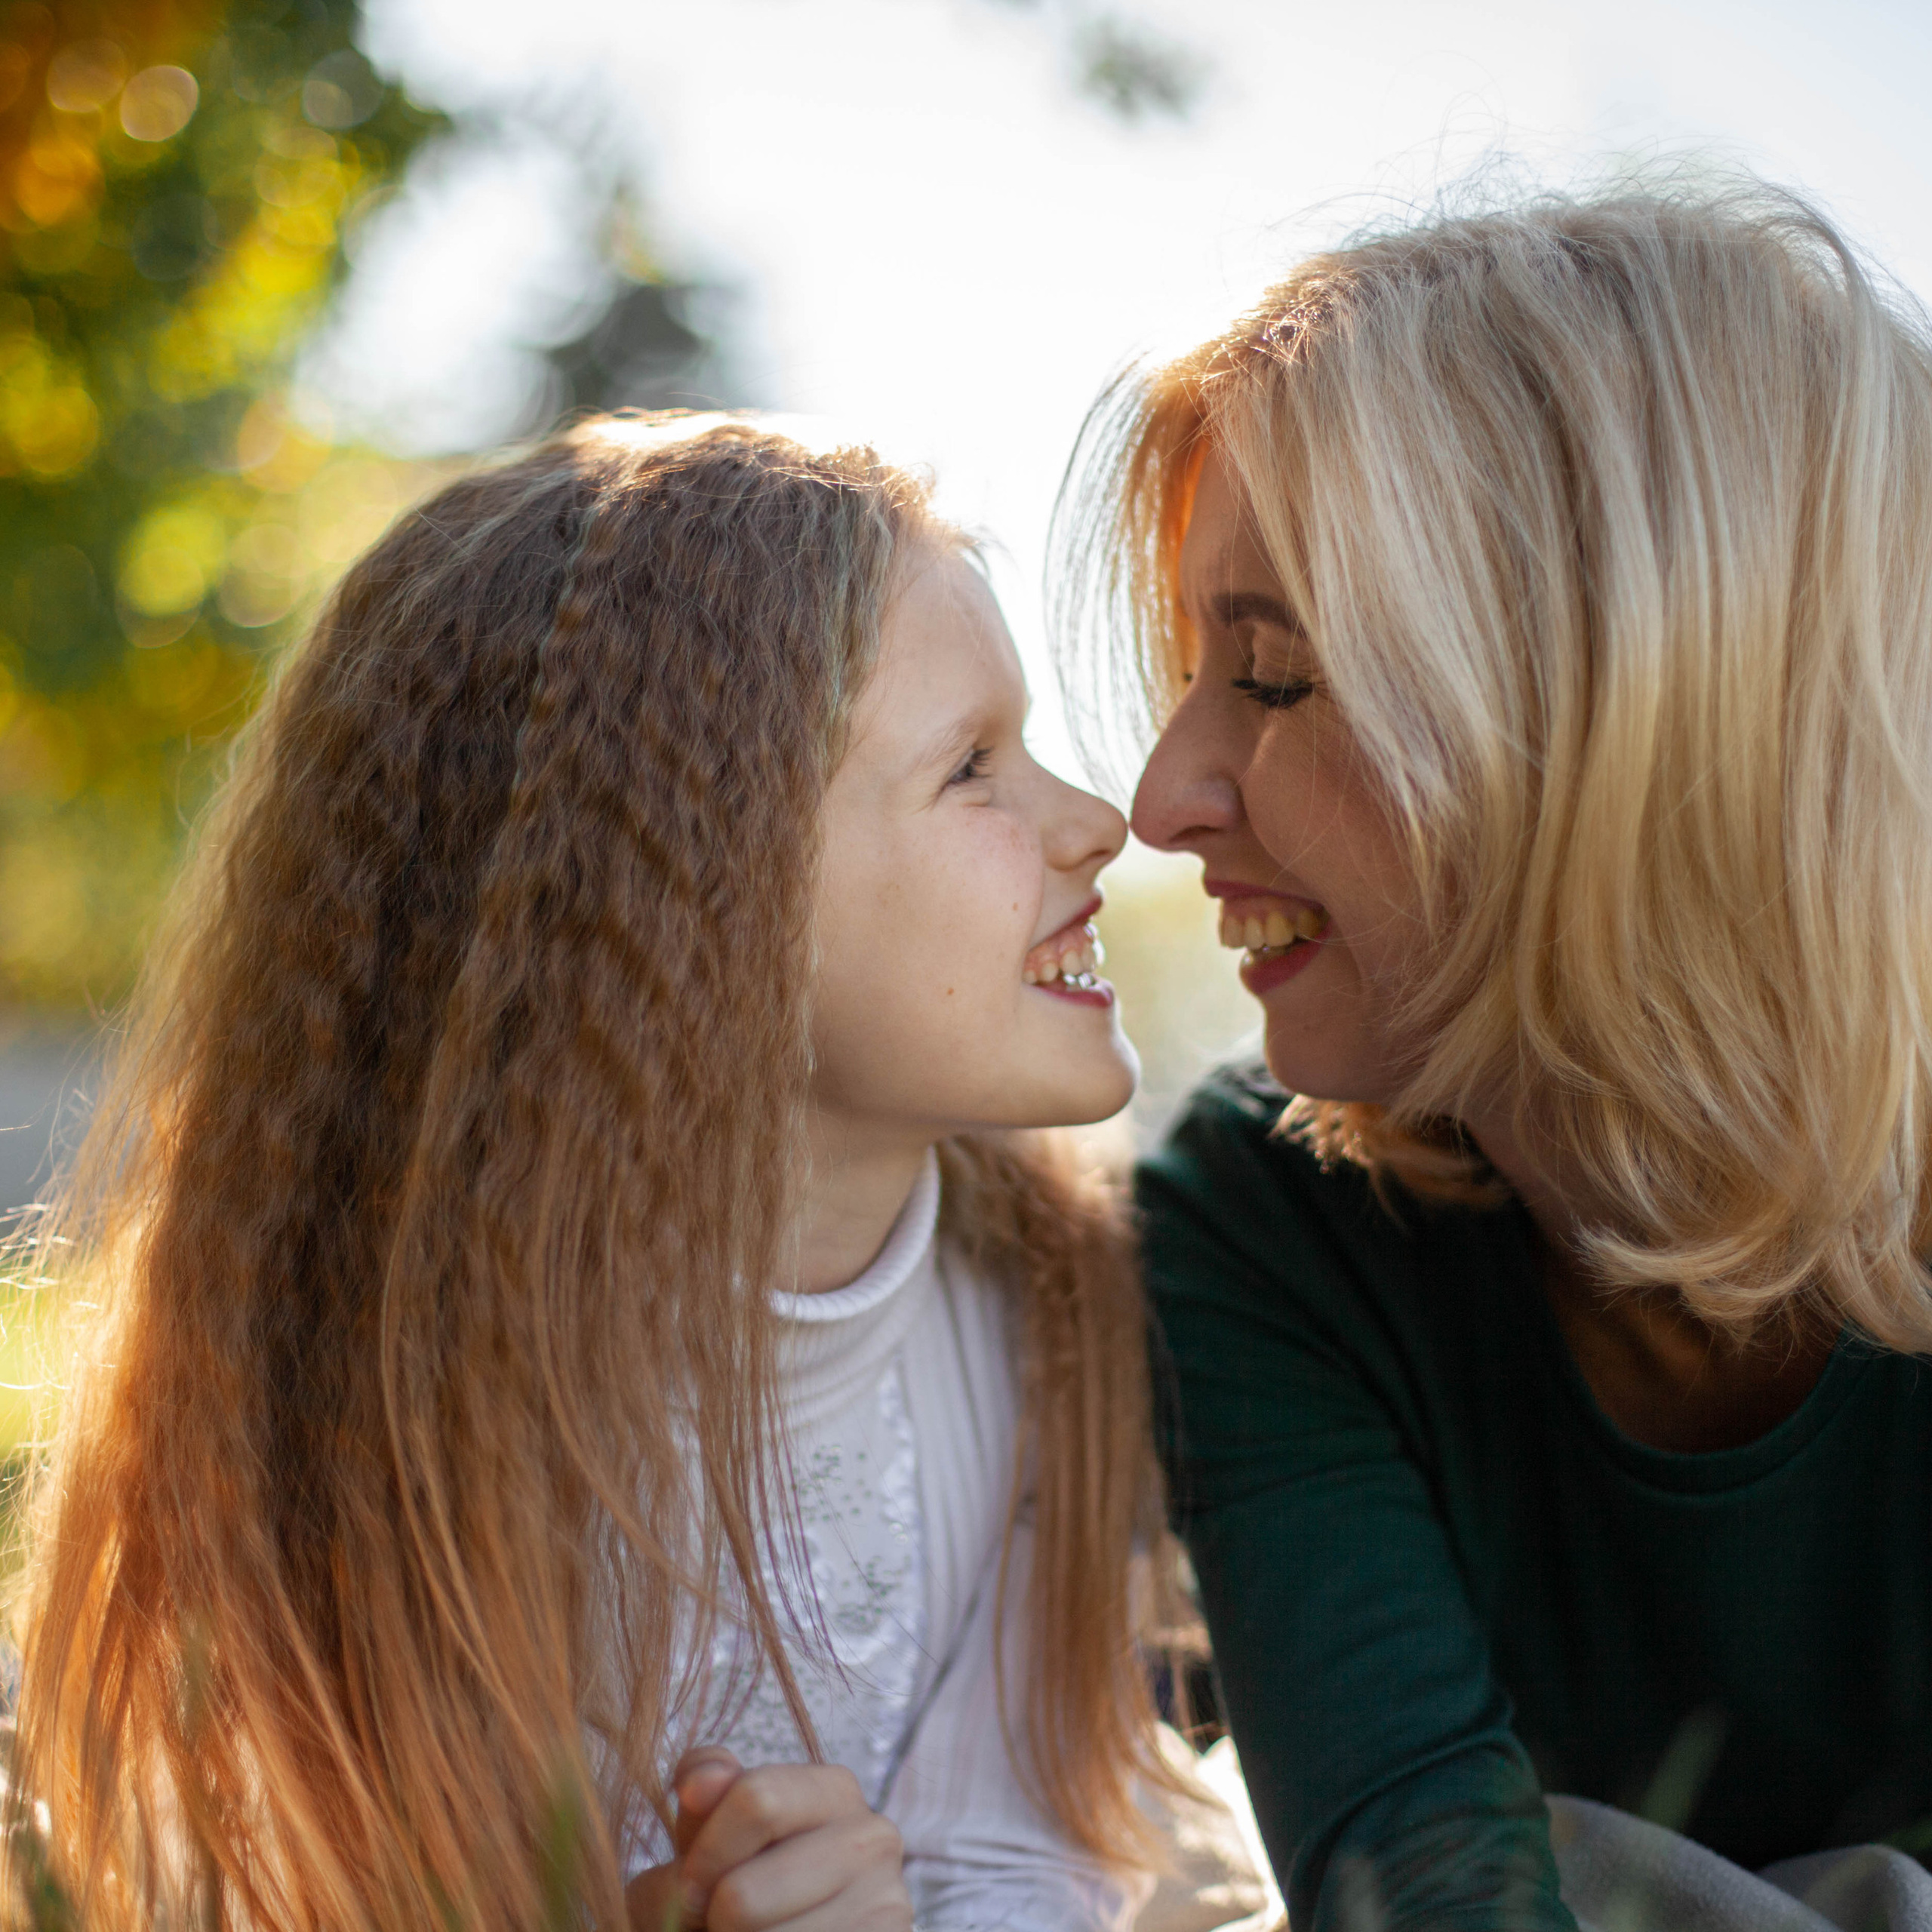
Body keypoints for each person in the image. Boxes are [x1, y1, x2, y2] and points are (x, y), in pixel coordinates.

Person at [9, 416, 1186, 1932]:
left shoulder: (1042, 1308)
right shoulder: (380, 1390)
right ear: (701, 889)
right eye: (972, 766)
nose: (1098, 823)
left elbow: (1034, 1851)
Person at [1063, 181, 1932, 1930]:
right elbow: (1421, 1890)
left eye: (1273, 675)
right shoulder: (1264, 1213)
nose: (1158, 798)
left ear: (1618, 705)